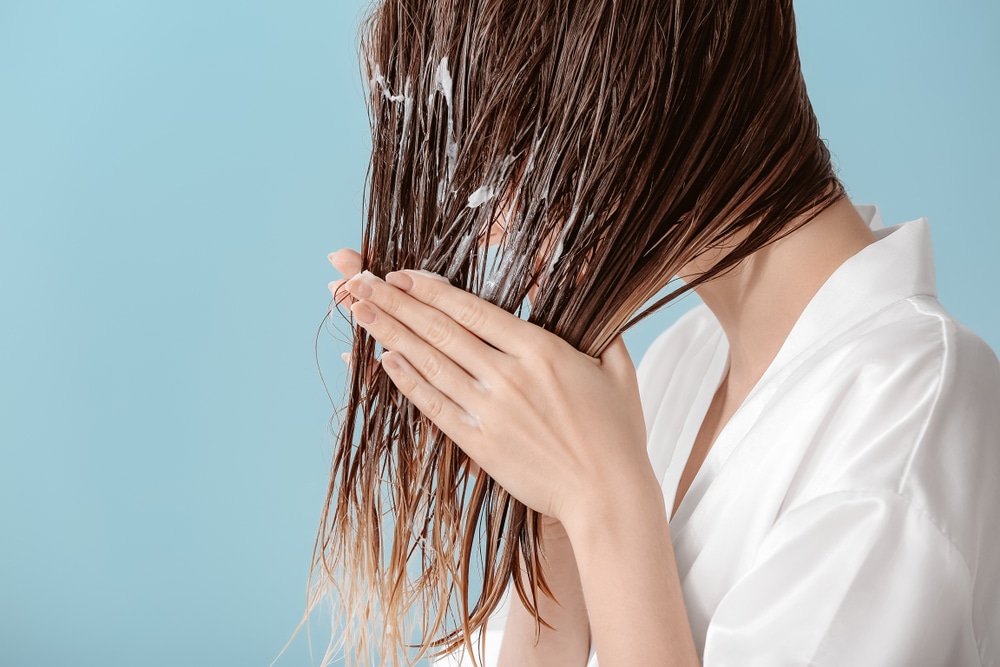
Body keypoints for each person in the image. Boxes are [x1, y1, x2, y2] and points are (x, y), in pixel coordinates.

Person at [324, 2, 1000, 665]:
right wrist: (552, 501)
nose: (499, 229)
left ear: (642, 97)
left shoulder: (905, 431)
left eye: (511, 159)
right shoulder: (685, 359)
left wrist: (606, 498)